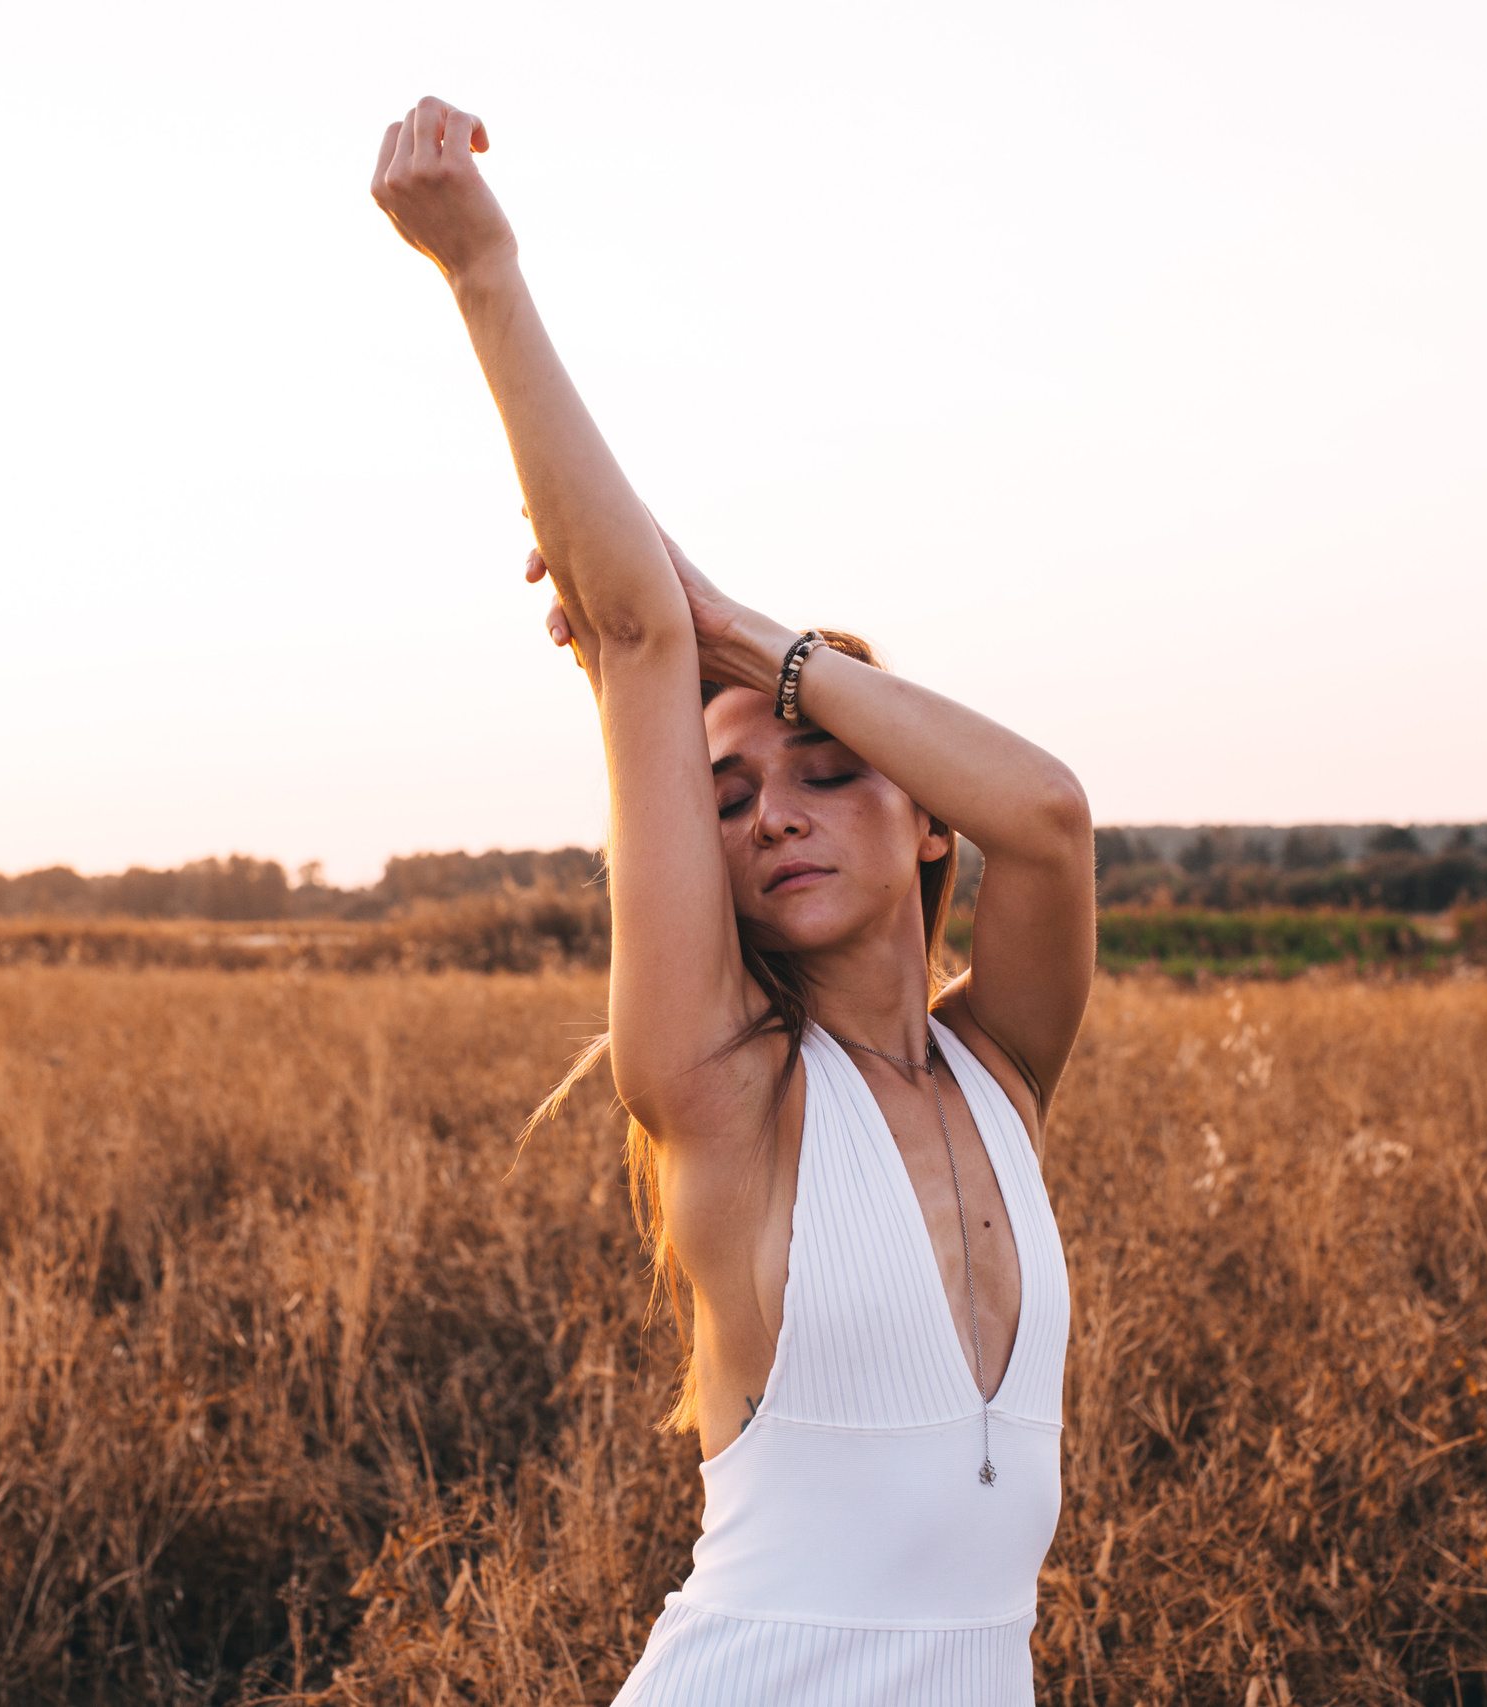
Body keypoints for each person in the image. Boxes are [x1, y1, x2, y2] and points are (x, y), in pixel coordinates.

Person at [372, 97, 1097, 1705]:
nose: (776, 814)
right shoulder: (725, 1097)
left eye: (828, 767)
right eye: (731, 799)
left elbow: (1047, 818)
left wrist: (747, 636)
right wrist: (481, 269)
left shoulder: (1003, 1075)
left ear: (926, 824)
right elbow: (631, 639)